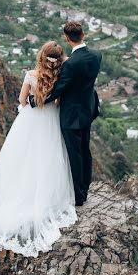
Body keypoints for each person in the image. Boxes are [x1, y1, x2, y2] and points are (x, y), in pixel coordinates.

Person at [0, 41, 77, 257]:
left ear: (41, 56)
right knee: (48, 158)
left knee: (23, 158)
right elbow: (59, 100)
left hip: (30, 120)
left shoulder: (30, 75)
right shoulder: (60, 78)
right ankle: (45, 195)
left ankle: (18, 190)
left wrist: (29, 101)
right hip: (51, 121)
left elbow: (22, 100)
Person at [44, 21, 102, 206]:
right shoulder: (97, 56)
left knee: (74, 155)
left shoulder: (71, 64)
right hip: (88, 110)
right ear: (83, 34)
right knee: (85, 152)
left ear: (66, 38)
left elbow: (59, 89)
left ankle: (78, 197)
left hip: (72, 116)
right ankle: (85, 188)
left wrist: (36, 100)